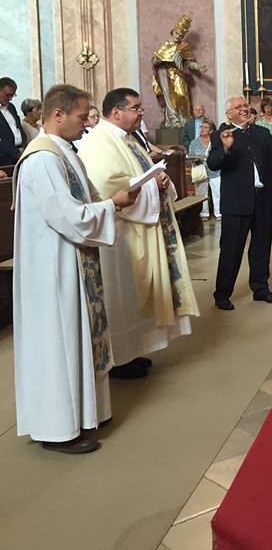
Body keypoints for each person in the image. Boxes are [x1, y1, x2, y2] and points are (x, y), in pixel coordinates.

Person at [13, 84, 140, 454]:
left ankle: (86, 414)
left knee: (78, 337)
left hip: (71, 260)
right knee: (59, 343)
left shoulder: (64, 152)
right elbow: (68, 217)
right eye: (82, 117)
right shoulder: (43, 160)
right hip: (53, 269)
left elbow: (83, 201)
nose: (87, 123)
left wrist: (111, 202)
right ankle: (58, 429)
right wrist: (111, 205)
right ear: (58, 115)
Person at [79, 88, 199, 378]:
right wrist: (151, 185)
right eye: (136, 108)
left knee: (133, 300)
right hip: (120, 237)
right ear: (116, 112)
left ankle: (131, 352)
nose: (141, 113)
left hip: (137, 230)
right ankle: (119, 358)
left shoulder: (128, 138)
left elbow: (140, 173)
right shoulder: (98, 142)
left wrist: (160, 179)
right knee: (121, 297)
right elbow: (106, 186)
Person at [208, 96, 272, 310]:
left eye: (245, 105)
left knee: (261, 248)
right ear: (229, 114)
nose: (244, 108)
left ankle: (260, 289)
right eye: (238, 107)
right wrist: (225, 148)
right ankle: (222, 294)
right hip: (236, 203)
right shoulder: (222, 135)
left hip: (263, 200)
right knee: (231, 251)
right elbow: (213, 164)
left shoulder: (262, 133)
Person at [188, 119, 221, 219]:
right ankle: (204, 213)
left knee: (218, 193)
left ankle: (219, 213)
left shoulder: (216, 142)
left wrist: (205, 157)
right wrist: (195, 159)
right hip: (200, 171)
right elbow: (190, 156)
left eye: (205, 127)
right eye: (201, 126)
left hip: (215, 171)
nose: (202, 129)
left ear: (211, 130)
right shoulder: (194, 142)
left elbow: (219, 155)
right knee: (201, 194)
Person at [0, 77, 24, 165]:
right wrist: (16, 153)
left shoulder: (11, 107)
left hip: (19, 156)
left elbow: (18, 129)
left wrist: (24, 146)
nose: (10, 98)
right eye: (7, 95)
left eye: (13, 95)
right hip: (4, 160)